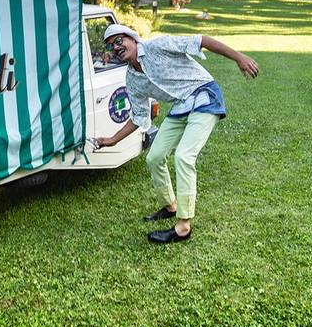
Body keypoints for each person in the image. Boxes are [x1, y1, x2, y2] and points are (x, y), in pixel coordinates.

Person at [92, 24, 259, 243]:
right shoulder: (132, 79)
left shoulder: (157, 46)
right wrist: (111, 141)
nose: (116, 47)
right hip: (181, 105)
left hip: (203, 93)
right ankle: (170, 206)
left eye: (119, 40)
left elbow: (202, 40)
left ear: (132, 38)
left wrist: (239, 57)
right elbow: (139, 116)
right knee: (154, 157)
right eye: (111, 46)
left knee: (184, 156)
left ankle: (183, 226)